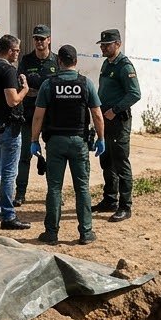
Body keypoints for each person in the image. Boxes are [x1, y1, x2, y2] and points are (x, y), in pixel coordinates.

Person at [29, 45, 106, 245]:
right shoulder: (86, 83)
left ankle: (52, 233)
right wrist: (101, 138)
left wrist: (33, 140)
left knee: (54, 188)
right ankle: (86, 233)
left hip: (55, 142)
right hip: (79, 141)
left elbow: (38, 116)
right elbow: (97, 114)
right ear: (76, 62)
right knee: (82, 188)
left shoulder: (48, 85)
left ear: (59, 62)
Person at [0, 35, 32, 230]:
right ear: (10, 51)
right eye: (17, 50)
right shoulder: (8, 70)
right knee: (9, 173)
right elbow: (13, 100)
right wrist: (25, 89)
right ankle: (8, 216)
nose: (18, 54)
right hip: (8, 128)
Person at [94, 29, 141, 223]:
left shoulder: (124, 66)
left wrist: (115, 109)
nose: (104, 48)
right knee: (106, 160)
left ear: (118, 44)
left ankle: (125, 205)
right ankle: (110, 199)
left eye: (108, 44)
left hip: (118, 120)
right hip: (105, 118)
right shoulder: (107, 64)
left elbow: (134, 94)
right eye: (103, 45)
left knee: (120, 161)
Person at [14, 25, 58, 206]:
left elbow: (57, 87)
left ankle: (53, 194)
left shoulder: (56, 61)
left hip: (50, 117)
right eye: (36, 39)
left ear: (49, 39)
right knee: (25, 155)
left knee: (54, 156)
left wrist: (36, 89)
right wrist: (39, 90)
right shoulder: (26, 60)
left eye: (42, 38)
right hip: (29, 115)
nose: (39, 42)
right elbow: (21, 84)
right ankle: (20, 193)